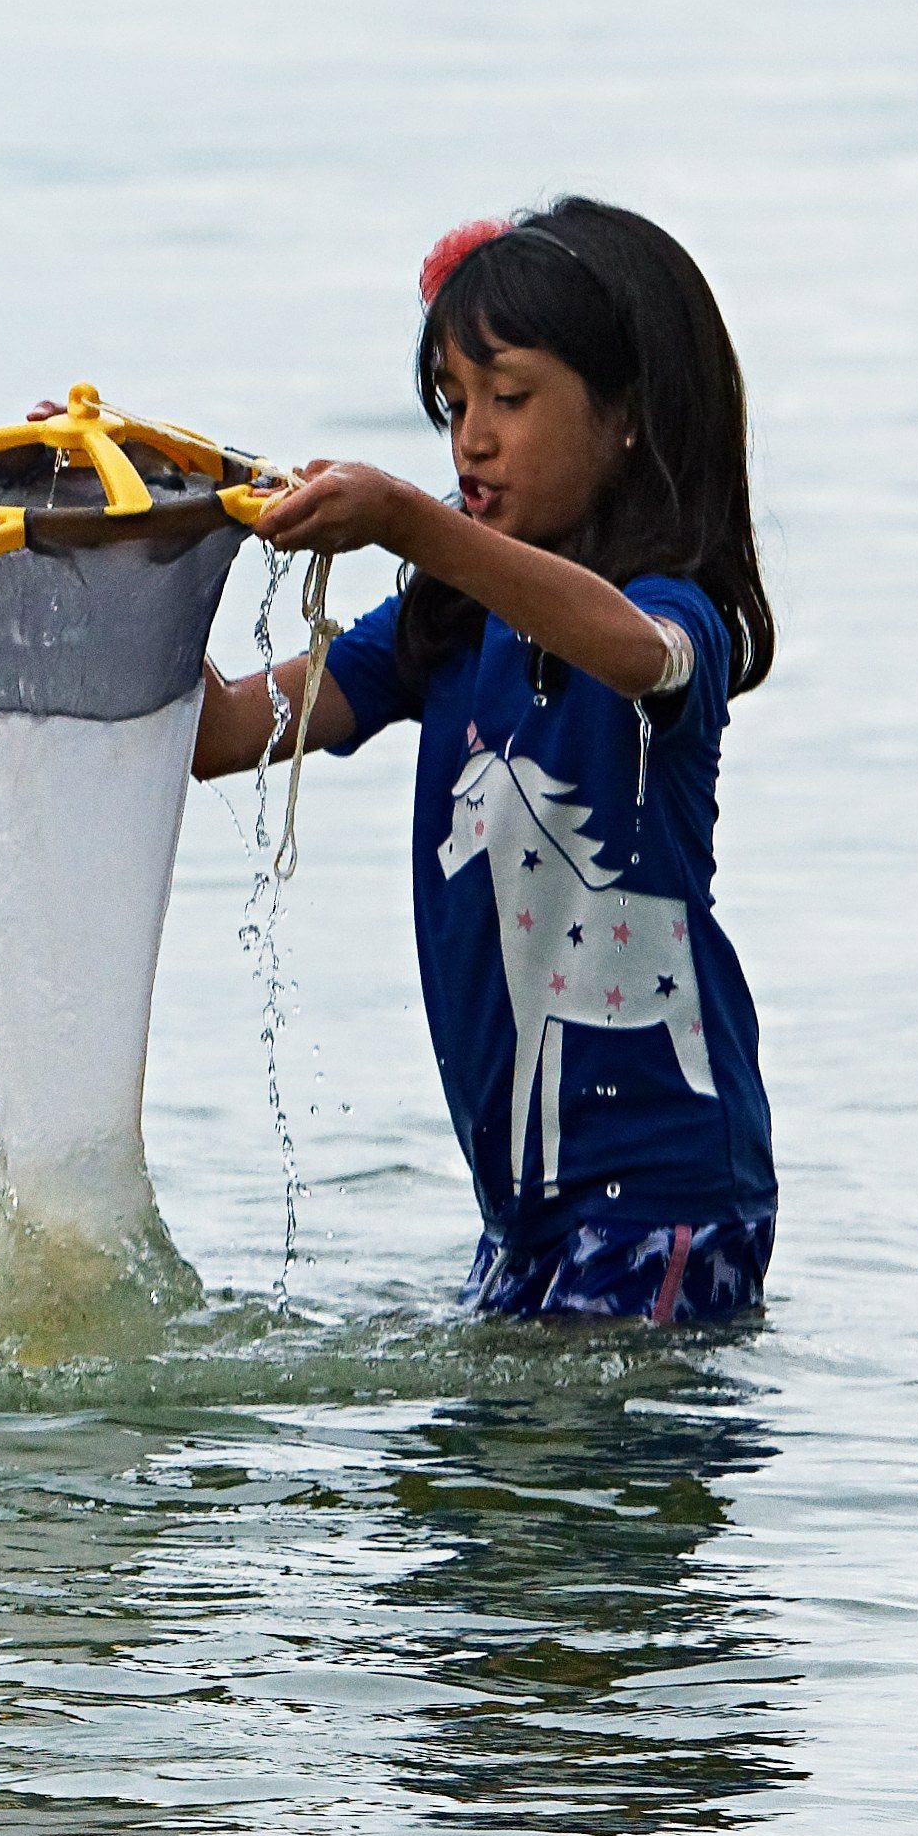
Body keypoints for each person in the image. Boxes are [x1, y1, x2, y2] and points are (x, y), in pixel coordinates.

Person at [195, 199, 779, 1327]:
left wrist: (414, 525)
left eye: (510, 399)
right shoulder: (446, 623)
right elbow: (222, 735)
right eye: (455, 404)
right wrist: (122, 529)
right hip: (522, 1214)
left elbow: (629, 649)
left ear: (627, 418)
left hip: (669, 1199)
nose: (471, 438)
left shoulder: (674, 618)